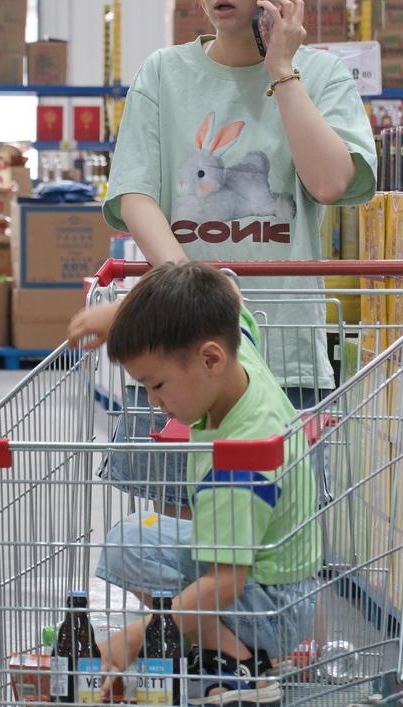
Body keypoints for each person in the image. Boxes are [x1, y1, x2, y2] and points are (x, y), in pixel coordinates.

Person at [77, 0, 377, 510]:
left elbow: (328, 183)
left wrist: (282, 66)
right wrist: (191, 284)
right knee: (171, 533)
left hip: (282, 354)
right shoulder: (163, 73)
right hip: (176, 344)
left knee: (277, 545)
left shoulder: (322, 77)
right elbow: (135, 192)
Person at [74, 262, 320, 704]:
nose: (153, 400)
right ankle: (214, 643)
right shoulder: (235, 355)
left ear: (209, 359)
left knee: (134, 547)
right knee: (132, 537)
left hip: (271, 606)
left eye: (157, 384)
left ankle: (239, 660)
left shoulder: (242, 455)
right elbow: (228, 294)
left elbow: (227, 583)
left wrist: (136, 638)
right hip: (276, 579)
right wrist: (118, 316)